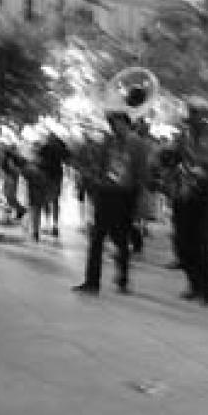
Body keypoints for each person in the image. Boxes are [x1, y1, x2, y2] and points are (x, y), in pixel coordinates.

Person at [72, 110, 148, 295]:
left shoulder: (137, 143)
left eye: (116, 122)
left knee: (121, 239)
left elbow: (141, 172)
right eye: (111, 123)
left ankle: (122, 278)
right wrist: (96, 179)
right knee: (97, 237)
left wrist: (139, 199)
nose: (113, 126)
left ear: (126, 122)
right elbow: (101, 165)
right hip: (106, 192)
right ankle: (92, 282)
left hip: (125, 195)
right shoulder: (109, 141)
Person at [173, 97, 208, 305]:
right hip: (185, 191)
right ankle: (193, 283)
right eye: (190, 112)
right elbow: (175, 158)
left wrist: (204, 164)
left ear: (204, 115)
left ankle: (205, 290)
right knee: (183, 242)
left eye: (196, 113)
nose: (192, 116)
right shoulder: (183, 135)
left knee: (204, 244)